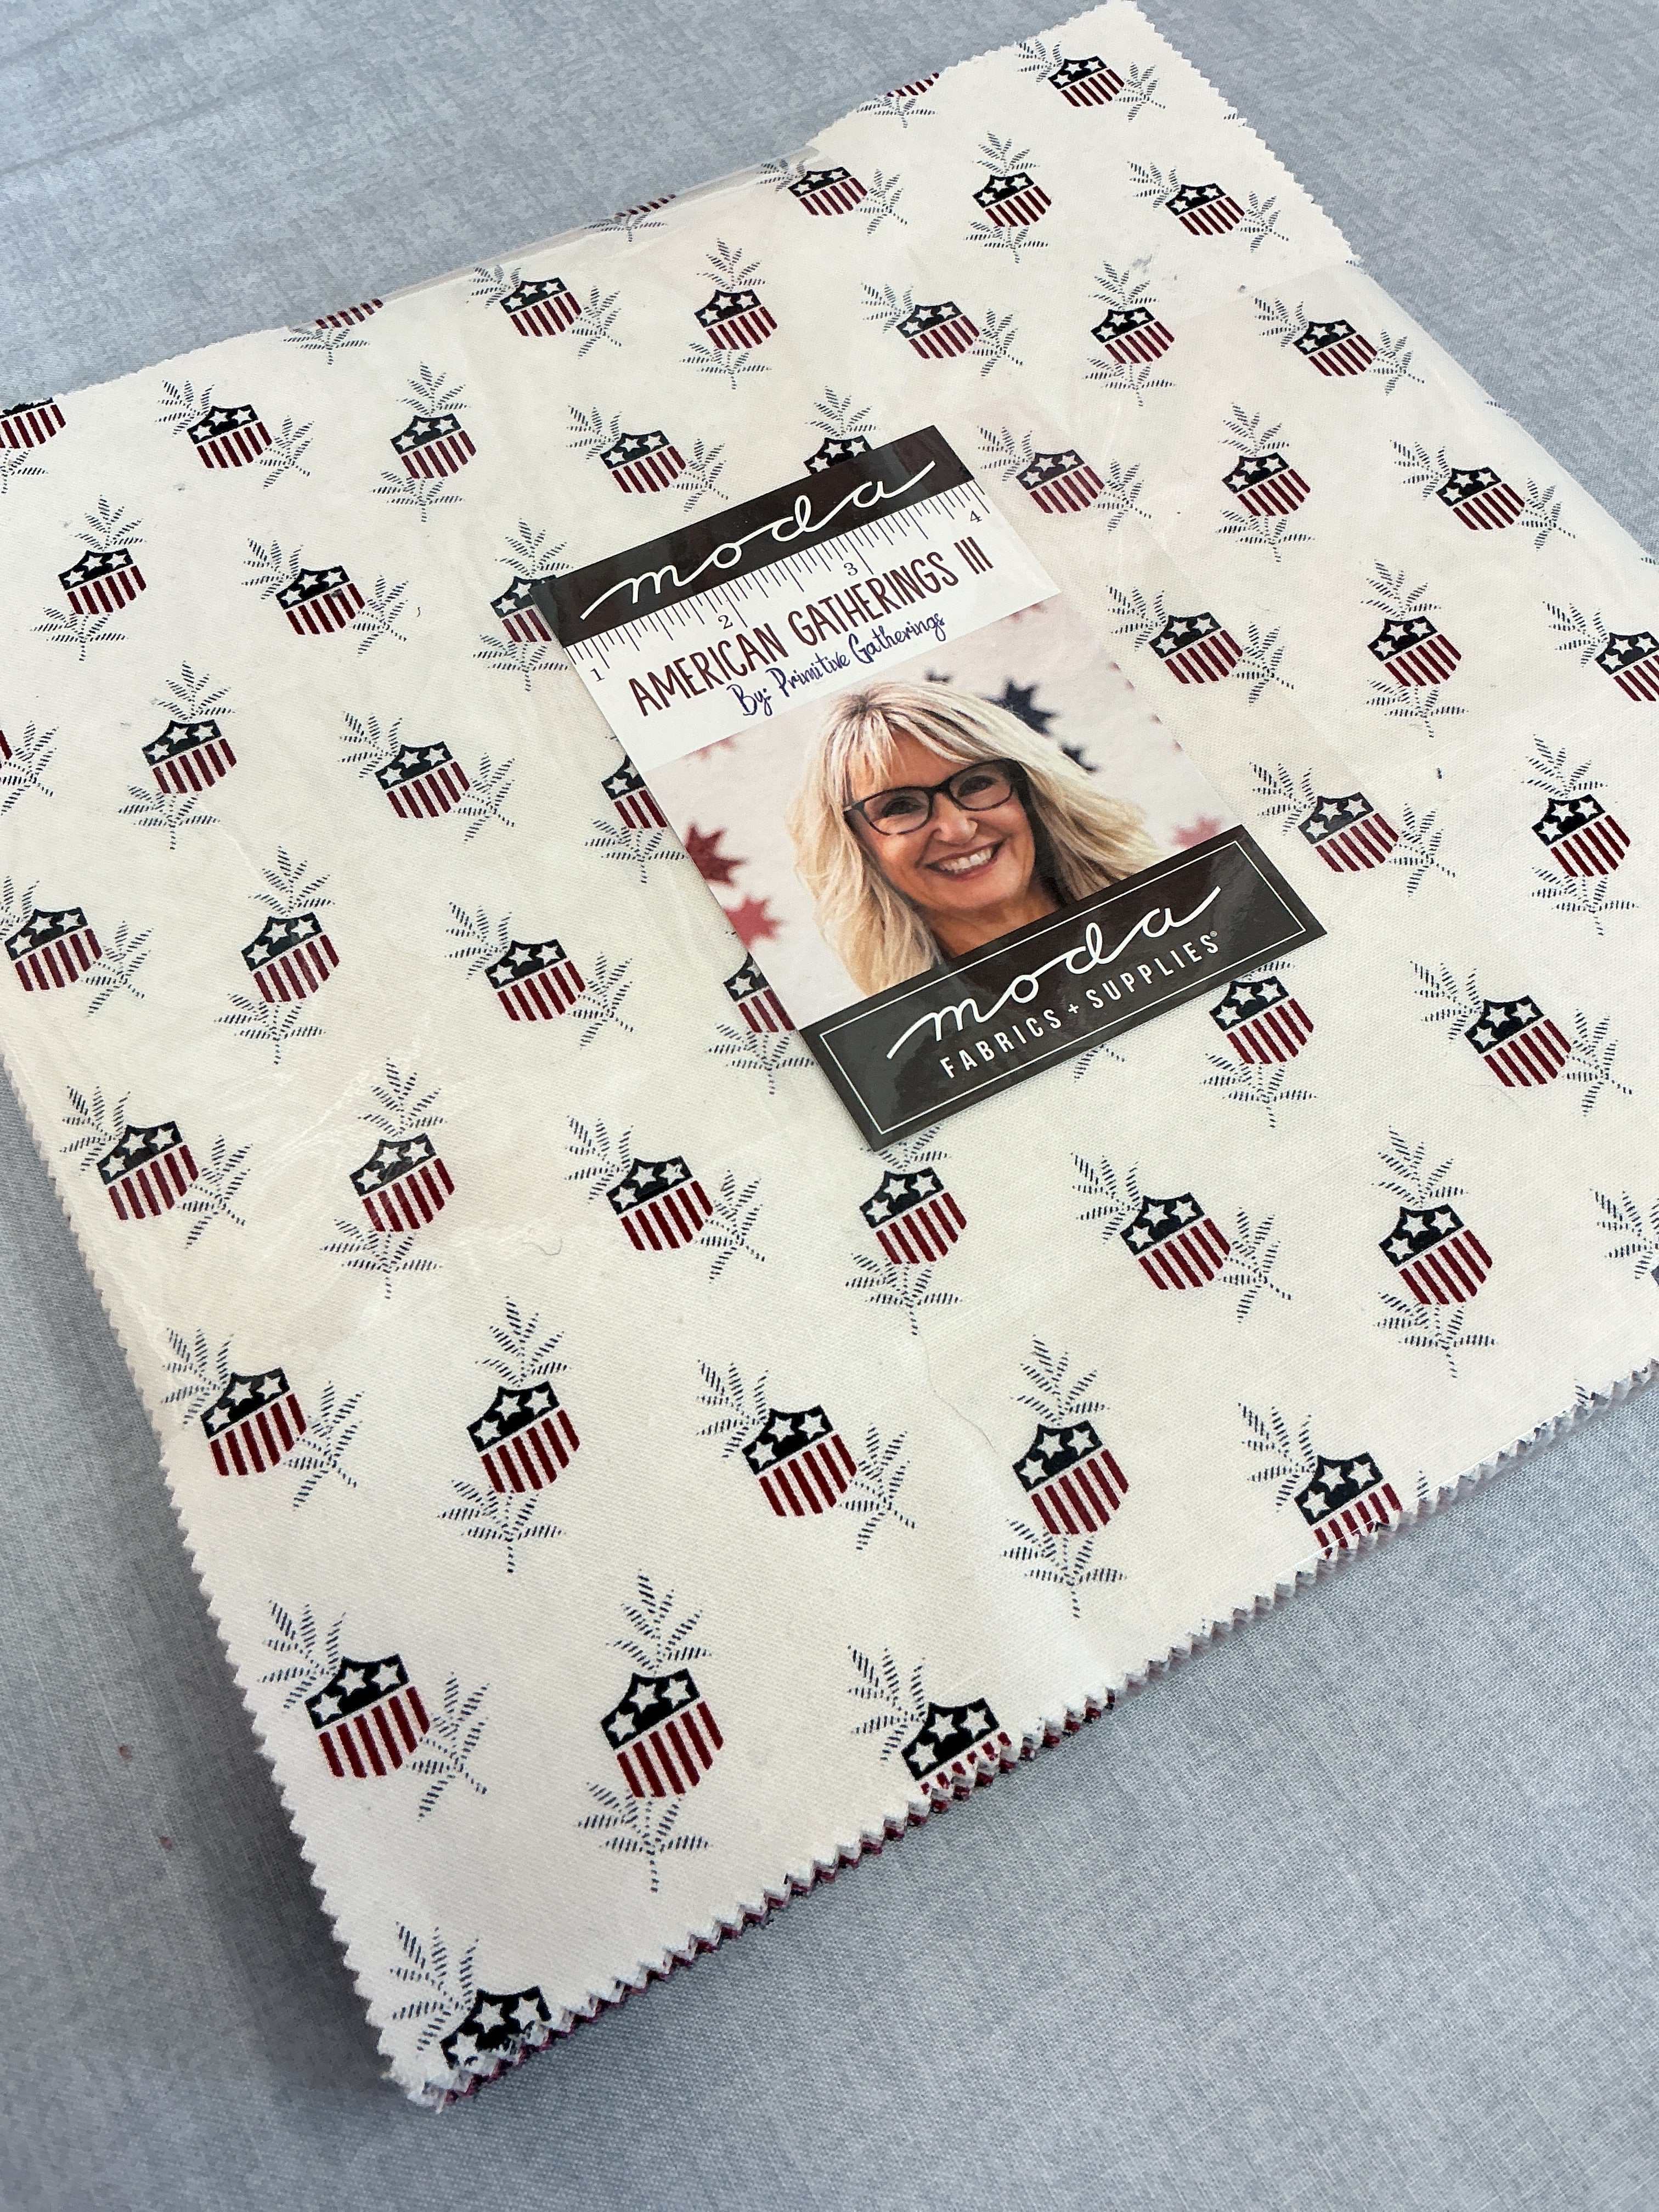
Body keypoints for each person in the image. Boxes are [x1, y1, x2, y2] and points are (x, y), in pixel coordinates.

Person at [787, 678, 1162, 995]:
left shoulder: (1180, 914)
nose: (958, 830)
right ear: (857, 845)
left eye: (977, 784)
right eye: (901, 806)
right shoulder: (908, 1045)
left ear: (1030, 793)